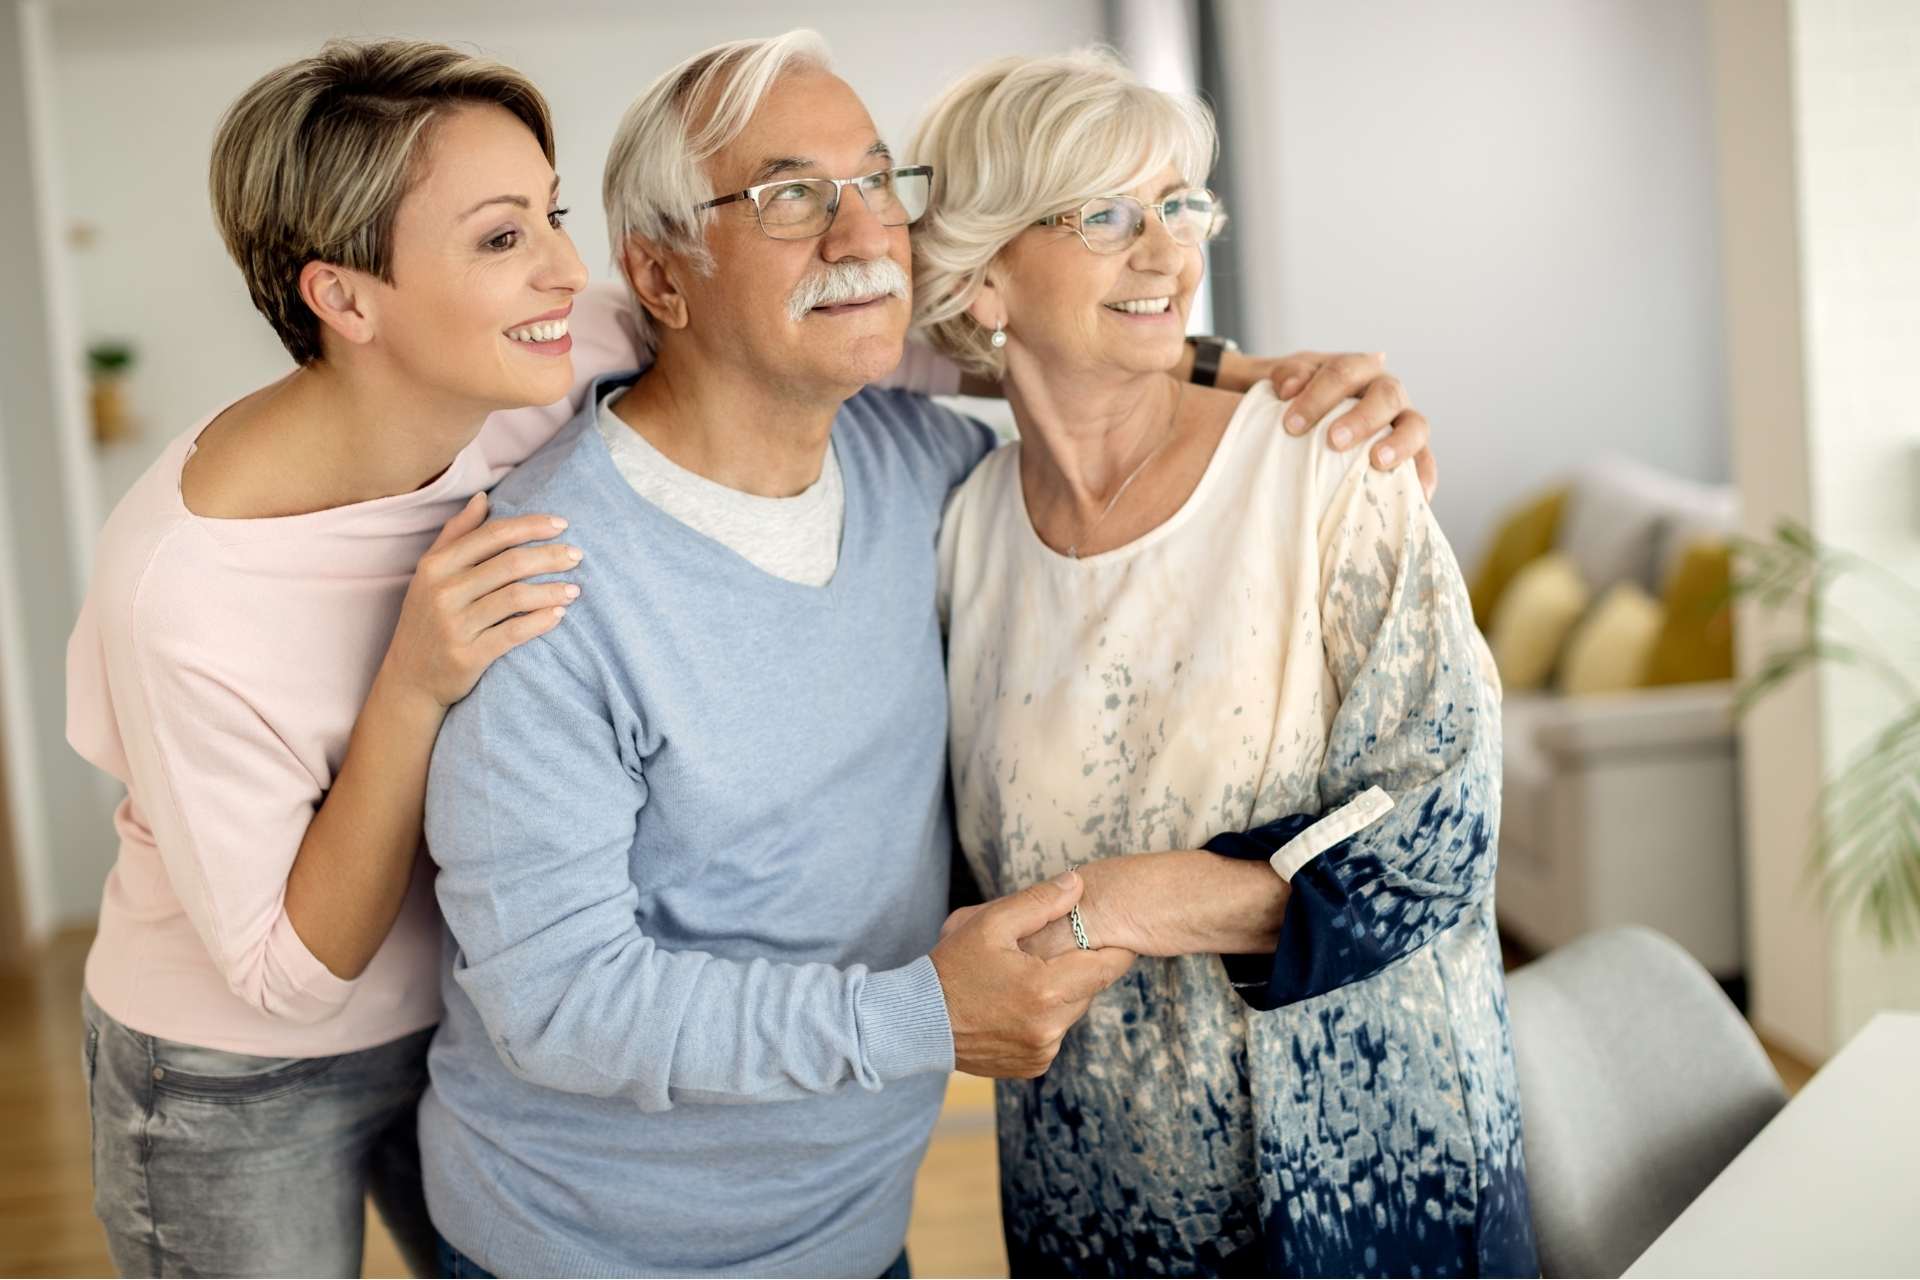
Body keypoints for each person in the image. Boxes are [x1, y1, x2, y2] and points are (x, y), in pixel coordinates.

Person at [415, 31, 1437, 1280]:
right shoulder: (541, 578)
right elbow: (558, 1001)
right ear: (660, 279)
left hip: (856, 1227)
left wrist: (1279, 393)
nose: (859, 237)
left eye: (877, 185)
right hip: (593, 1247)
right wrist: (923, 1013)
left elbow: (1065, 399)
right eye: (789, 196)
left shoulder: (932, 480)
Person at [918, 51, 1538, 1277]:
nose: (1166, 253)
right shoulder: (961, 528)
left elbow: (1446, 818)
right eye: (1106, 216)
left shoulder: (1325, 466)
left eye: (1180, 206)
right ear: (986, 276)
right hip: (1097, 1191)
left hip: (1367, 1173)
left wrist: (1132, 896)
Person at [63, 39, 602, 1277]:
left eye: (554, 213)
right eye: (503, 237)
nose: (571, 268)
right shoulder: (183, 587)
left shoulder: (524, 376)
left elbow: (731, 337)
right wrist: (412, 679)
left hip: (471, 1024)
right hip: (231, 1075)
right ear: (345, 299)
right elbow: (283, 978)